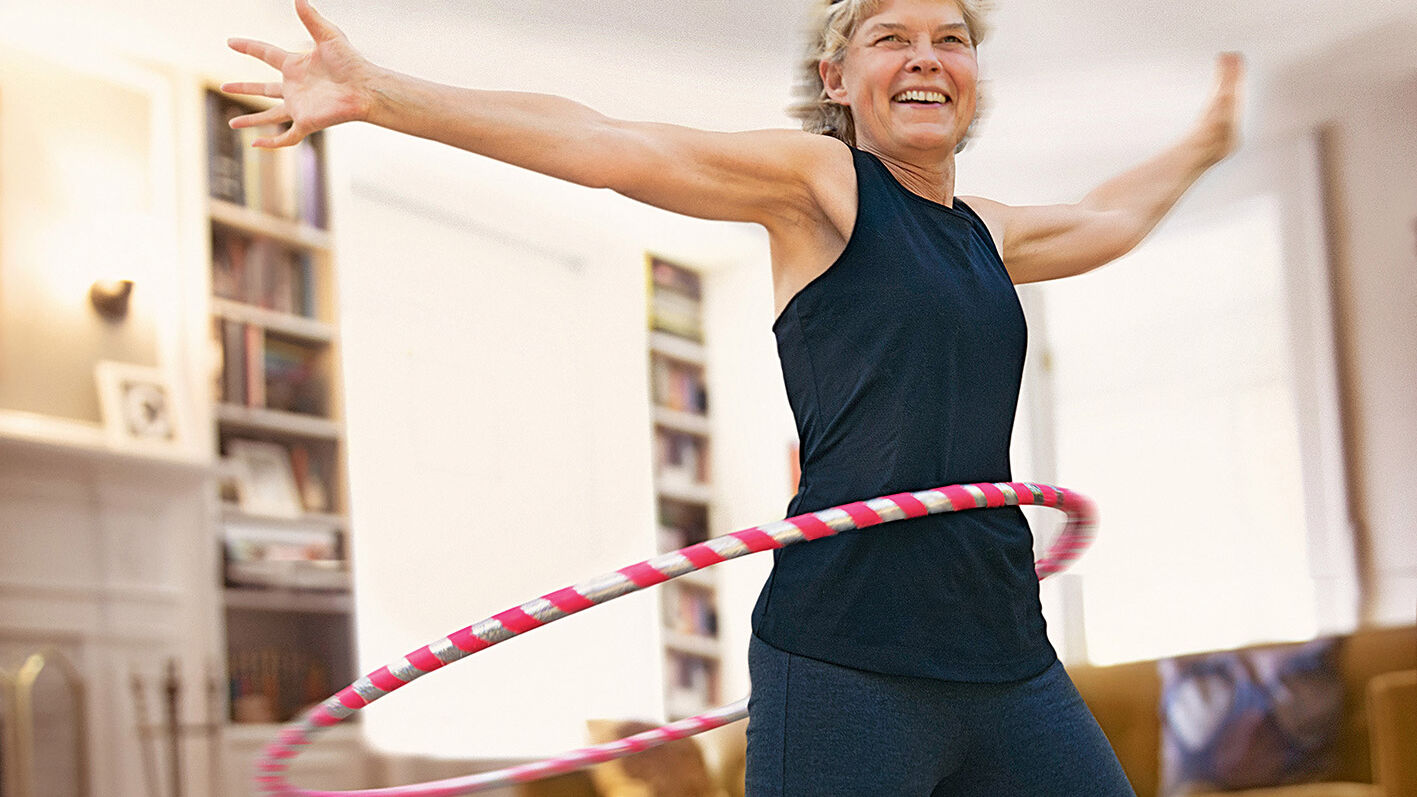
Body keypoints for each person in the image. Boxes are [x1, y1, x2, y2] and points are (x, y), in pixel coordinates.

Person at [225, 0, 1241, 793]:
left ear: (974, 76)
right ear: (836, 79)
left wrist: (1203, 142)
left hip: (1005, 646)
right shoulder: (823, 182)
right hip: (848, 651)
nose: (925, 57)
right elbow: (615, 145)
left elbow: (1109, 215)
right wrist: (382, 94)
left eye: (951, 39)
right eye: (890, 37)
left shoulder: (990, 231)